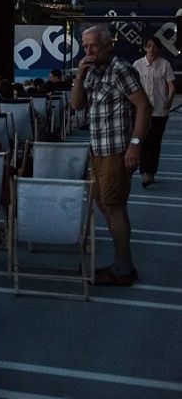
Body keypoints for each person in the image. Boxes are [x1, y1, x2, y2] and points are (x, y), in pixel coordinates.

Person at [70, 24, 151, 286]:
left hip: (117, 150)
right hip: (98, 150)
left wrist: (135, 145)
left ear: (108, 45)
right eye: (85, 46)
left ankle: (123, 267)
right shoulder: (92, 71)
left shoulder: (120, 69)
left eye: (94, 45)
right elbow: (77, 104)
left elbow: (144, 106)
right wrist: (80, 76)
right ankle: (121, 262)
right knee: (104, 203)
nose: (89, 51)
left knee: (114, 207)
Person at [133, 36, 175, 188]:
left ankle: (151, 172)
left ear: (159, 48)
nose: (152, 49)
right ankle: (144, 172)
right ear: (145, 48)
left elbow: (171, 85)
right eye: (149, 46)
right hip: (142, 110)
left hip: (159, 109)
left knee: (155, 142)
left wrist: (169, 99)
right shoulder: (137, 64)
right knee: (142, 140)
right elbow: (132, 86)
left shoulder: (165, 64)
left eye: (155, 46)